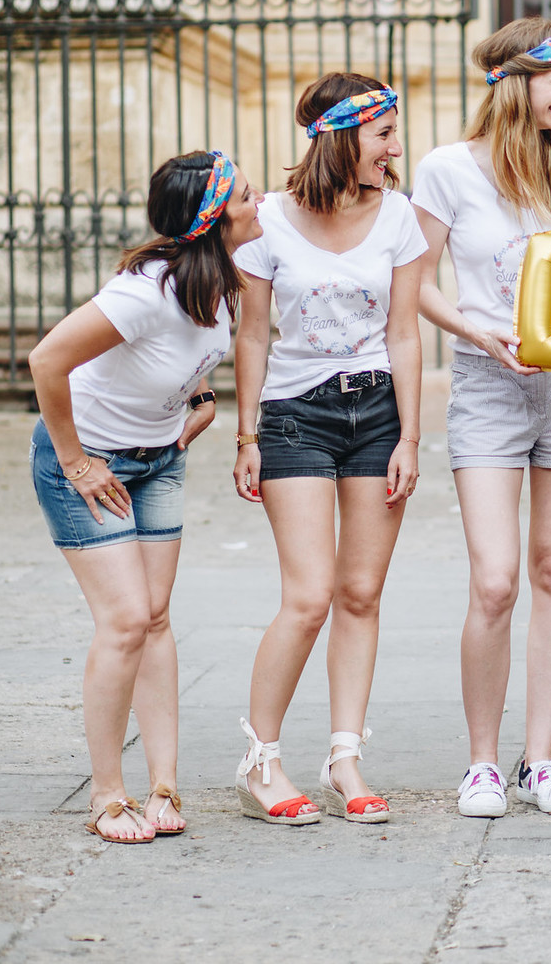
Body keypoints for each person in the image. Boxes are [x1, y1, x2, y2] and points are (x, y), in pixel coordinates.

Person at [412, 17, 551, 817]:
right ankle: (481, 764)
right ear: (515, 81)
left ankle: (542, 759)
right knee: (496, 582)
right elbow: (420, 283)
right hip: (486, 383)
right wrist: (482, 329)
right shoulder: (446, 171)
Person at [28, 149, 263, 842]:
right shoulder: (144, 290)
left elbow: (188, 353)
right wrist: (75, 462)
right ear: (215, 219)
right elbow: (48, 361)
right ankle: (107, 795)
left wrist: (202, 395)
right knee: (126, 621)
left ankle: (164, 785)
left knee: (156, 617)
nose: (258, 205)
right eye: (246, 197)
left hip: (160, 459)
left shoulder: (220, 282)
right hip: (89, 465)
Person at [232, 74, 425, 826]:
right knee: (309, 596)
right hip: (293, 417)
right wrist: (246, 434)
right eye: (383, 134)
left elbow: (406, 332)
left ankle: (346, 758)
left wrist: (410, 434)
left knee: (362, 594)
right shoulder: (269, 223)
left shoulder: (400, 216)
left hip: (378, 413)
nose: (396, 148)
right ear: (343, 135)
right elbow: (251, 335)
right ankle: (262, 761)